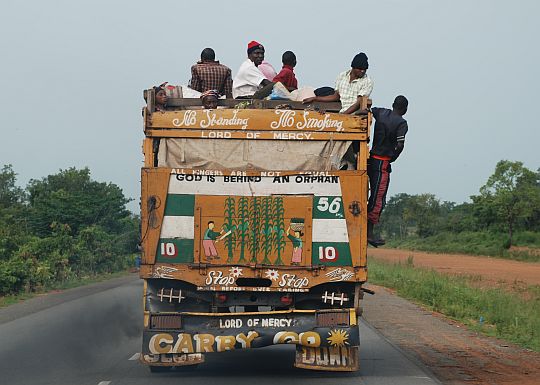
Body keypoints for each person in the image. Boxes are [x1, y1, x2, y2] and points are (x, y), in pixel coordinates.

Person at [367, 95, 409, 247]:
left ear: (393, 105)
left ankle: (367, 231)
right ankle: (369, 233)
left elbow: (368, 109)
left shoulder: (381, 112)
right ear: (405, 109)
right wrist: (394, 157)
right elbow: (400, 145)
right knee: (378, 198)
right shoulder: (402, 123)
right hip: (383, 163)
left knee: (370, 195)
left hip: (371, 160)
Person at [303, 52, 373, 113]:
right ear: (353, 67)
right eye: (360, 69)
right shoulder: (342, 76)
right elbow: (336, 96)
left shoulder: (367, 81)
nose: (362, 71)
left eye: (365, 69)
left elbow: (358, 102)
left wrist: (343, 115)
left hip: (355, 114)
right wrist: (315, 98)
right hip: (340, 111)